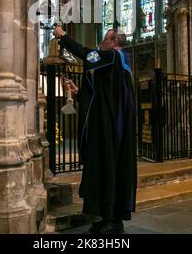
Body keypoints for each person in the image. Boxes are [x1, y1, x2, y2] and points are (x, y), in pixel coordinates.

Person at [53, 26, 137, 234]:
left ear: (114, 43)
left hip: (112, 130)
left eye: (105, 39)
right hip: (107, 125)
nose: (101, 42)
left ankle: (112, 219)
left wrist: (63, 36)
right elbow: (104, 96)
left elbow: (86, 54)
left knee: (109, 167)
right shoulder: (113, 62)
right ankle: (107, 217)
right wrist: (79, 92)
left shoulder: (116, 57)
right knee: (104, 168)